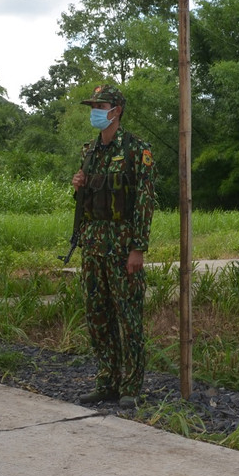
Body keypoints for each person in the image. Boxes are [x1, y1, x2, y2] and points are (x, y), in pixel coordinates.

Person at [70, 83, 155, 409]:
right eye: (93, 106)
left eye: (100, 107)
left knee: (128, 318)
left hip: (122, 247)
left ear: (116, 111)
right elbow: (86, 202)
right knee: (98, 316)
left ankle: (130, 386)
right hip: (93, 246)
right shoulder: (89, 152)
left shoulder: (136, 150)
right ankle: (107, 381)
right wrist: (78, 187)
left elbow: (145, 201)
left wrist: (138, 248)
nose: (95, 112)